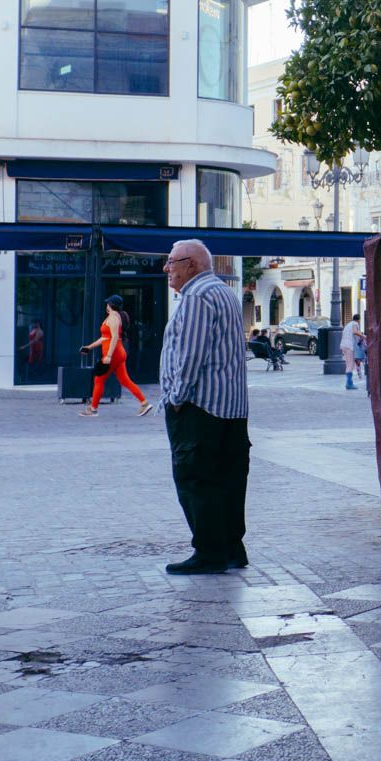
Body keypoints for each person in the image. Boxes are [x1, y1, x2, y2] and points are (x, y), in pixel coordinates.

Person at [158, 239, 250, 575]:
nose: (167, 269)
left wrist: (177, 397)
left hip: (200, 406)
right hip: (231, 408)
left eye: (171, 262)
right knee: (228, 480)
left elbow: (191, 353)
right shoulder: (224, 291)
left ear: (191, 265)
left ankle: (209, 552)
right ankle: (231, 548)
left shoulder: (196, 296)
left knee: (195, 479)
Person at [82, 295, 152, 418]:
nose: (106, 305)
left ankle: (93, 409)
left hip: (113, 354)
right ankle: (144, 403)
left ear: (111, 305)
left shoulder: (113, 318)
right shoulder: (112, 317)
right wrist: (89, 347)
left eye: (107, 303)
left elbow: (114, 337)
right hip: (117, 353)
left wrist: (108, 355)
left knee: (99, 379)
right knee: (125, 380)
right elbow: (105, 337)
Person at [340, 312, 364, 390]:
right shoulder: (355, 324)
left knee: (348, 364)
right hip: (349, 346)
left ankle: (349, 382)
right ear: (358, 320)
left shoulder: (348, 324)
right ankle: (349, 383)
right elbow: (354, 331)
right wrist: (364, 336)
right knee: (351, 364)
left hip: (343, 345)